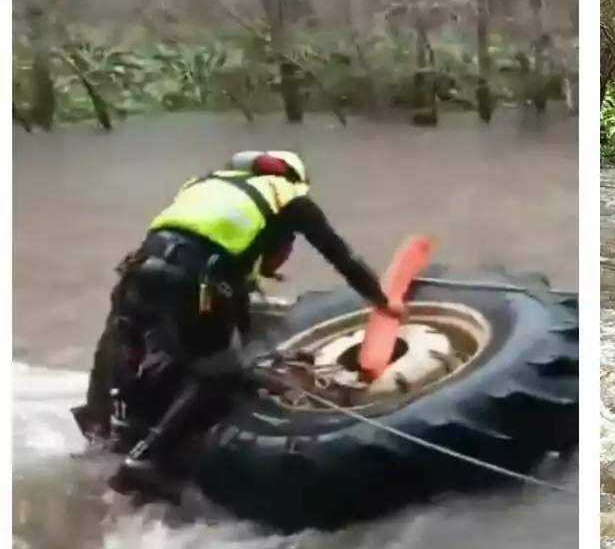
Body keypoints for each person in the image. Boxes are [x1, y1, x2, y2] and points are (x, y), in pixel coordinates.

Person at [77, 150, 403, 500]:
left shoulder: (205, 184)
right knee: (220, 377)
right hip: (191, 283)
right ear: (292, 178)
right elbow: (342, 257)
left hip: (137, 275)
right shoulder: (289, 198)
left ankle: (106, 426)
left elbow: (220, 253)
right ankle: (144, 463)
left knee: (123, 345)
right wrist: (384, 301)